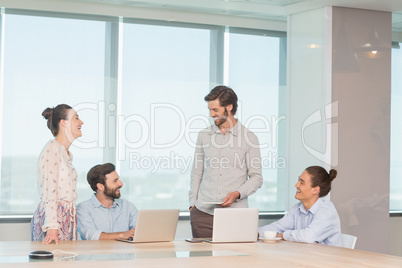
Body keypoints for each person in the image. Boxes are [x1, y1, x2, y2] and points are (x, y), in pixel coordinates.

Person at [189, 85, 263, 238]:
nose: (211, 114)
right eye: (209, 110)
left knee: (235, 261)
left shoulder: (249, 138)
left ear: (229, 107)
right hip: (202, 215)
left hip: (235, 216)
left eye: (215, 110)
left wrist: (237, 193)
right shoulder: (204, 135)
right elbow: (197, 172)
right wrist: (192, 204)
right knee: (202, 262)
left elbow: (257, 177)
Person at [31, 104, 84, 244]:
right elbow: (50, 191)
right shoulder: (52, 148)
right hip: (53, 220)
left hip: (65, 217)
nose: (81, 122)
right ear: (64, 123)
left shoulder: (66, 154)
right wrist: (52, 227)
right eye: (76, 118)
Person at [258, 166, 342, 246]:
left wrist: (284, 235)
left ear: (315, 190)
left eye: (302, 182)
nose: (296, 185)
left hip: (326, 259)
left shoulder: (327, 211)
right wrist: (256, 233)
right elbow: (278, 227)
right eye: (298, 180)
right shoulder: (297, 208)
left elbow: (309, 236)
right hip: (308, 256)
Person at [77, 163, 138, 240]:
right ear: (100, 186)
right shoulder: (83, 209)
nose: (121, 184)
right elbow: (90, 235)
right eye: (115, 181)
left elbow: (139, 231)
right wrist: (121, 235)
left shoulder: (128, 206)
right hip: (98, 252)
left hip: (125, 252)